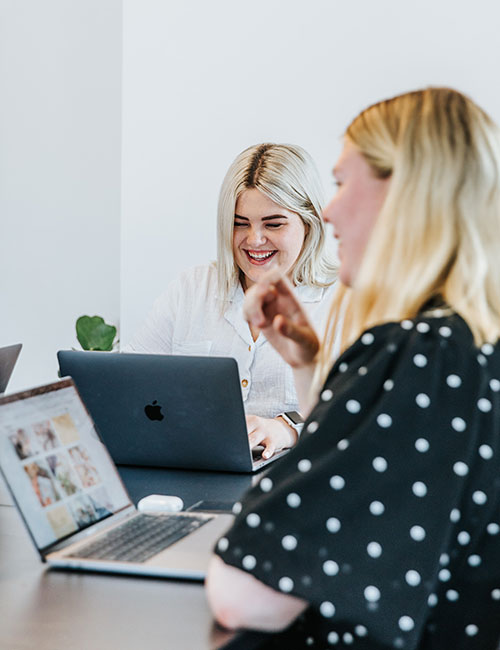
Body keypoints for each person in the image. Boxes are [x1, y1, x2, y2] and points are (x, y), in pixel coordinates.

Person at [206, 87, 500, 649]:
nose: (328, 210)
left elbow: (245, 595)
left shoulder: (419, 353)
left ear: (406, 194)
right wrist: (309, 367)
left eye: (342, 183)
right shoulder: (471, 343)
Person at [124, 143, 337, 457]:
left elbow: (360, 412)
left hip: (290, 475)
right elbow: (128, 382)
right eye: (240, 223)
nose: (254, 240)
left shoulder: (344, 302)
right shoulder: (191, 289)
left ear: (309, 223)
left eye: (273, 224)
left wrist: (288, 428)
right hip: (191, 467)